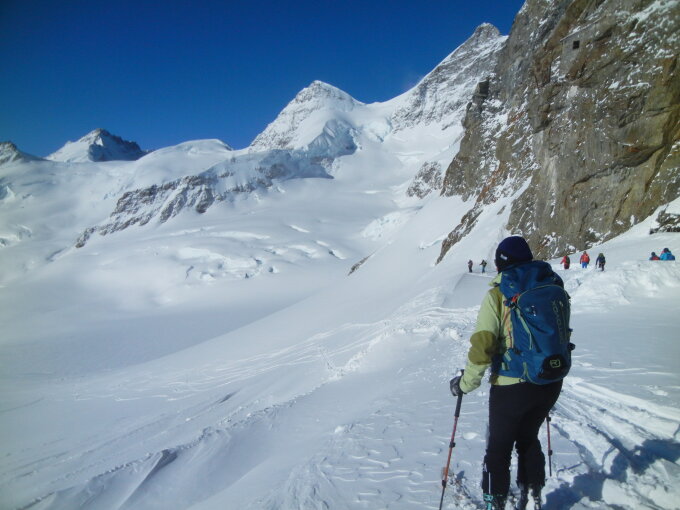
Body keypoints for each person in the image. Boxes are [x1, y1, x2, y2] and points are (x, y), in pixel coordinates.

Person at [450, 236, 565, 510]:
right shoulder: (551, 284)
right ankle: (533, 494)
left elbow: (483, 346)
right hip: (550, 379)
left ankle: (495, 502)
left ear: (501, 262)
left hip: (511, 385)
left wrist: (465, 383)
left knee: (498, 449)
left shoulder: (499, 294)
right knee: (528, 438)